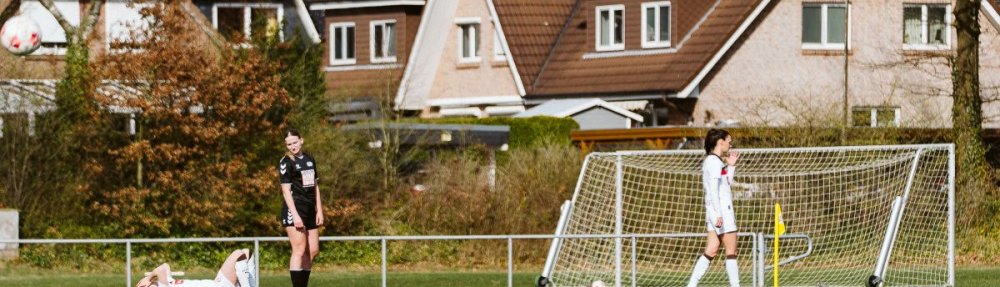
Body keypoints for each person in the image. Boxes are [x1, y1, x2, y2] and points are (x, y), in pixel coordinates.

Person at [686, 128, 741, 287]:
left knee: (711, 250)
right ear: (721, 142)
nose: (730, 145)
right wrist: (718, 214)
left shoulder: (714, 162)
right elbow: (713, 190)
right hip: (722, 211)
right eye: (729, 141)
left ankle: (691, 285)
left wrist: (731, 166)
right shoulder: (714, 162)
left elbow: (725, 185)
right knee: (731, 251)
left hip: (715, 211)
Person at [278, 129, 323, 287]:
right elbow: (286, 191)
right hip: (295, 209)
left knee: (313, 250)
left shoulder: (309, 158)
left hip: (310, 209)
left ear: (301, 141)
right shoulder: (286, 161)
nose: (293, 146)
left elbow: (315, 186)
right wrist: (295, 215)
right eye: (289, 144)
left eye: (295, 142)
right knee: (299, 249)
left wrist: (319, 210)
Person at [135, 249, 256, 287]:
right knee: (238, 254)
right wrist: (149, 278)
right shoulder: (163, 285)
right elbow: (160, 270)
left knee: (246, 252)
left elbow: (165, 266)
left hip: (217, 282)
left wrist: (149, 279)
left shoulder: (167, 282)